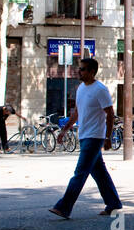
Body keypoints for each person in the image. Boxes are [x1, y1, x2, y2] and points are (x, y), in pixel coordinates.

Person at [51, 58, 122, 218]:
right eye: (79, 68)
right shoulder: (81, 88)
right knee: (99, 172)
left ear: (91, 72)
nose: (79, 71)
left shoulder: (100, 90)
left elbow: (110, 114)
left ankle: (64, 207)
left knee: (80, 172)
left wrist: (108, 137)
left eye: (82, 69)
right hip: (83, 134)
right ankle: (114, 204)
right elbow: (76, 112)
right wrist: (65, 130)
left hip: (94, 136)